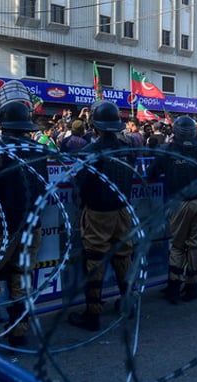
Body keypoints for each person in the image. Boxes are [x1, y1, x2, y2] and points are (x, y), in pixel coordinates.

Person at [0, 100, 48, 346]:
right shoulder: (38, 152)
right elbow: (44, 188)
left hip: (1, 227)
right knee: (21, 276)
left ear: (4, 125)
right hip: (30, 225)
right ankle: (19, 332)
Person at [68, 100, 136, 331]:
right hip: (122, 210)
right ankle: (128, 303)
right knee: (123, 256)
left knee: (95, 261)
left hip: (98, 213)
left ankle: (93, 314)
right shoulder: (128, 151)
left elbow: (79, 184)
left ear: (94, 126)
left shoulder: (89, 152)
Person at [146, 116, 197, 304]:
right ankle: (191, 287)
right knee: (195, 246)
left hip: (180, 203)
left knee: (178, 246)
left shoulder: (168, 150)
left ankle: (173, 287)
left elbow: (151, 173)